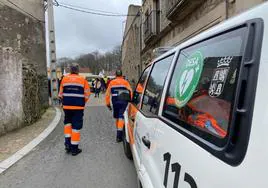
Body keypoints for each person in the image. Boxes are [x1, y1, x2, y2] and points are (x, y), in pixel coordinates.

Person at [58, 63, 90, 156]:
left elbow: (60, 94)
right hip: (78, 107)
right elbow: (87, 93)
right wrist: (82, 101)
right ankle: (74, 149)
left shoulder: (64, 79)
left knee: (68, 124)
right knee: (76, 127)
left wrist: (63, 102)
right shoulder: (82, 79)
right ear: (77, 70)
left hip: (67, 106)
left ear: (70, 70)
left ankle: (67, 145)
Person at [105, 70, 132, 142]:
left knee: (117, 117)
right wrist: (131, 100)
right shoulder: (125, 82)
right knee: (121, 117)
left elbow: (107, 94)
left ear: (115, 75)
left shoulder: (112, 82)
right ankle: (119, 135)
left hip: (115, 102)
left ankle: (118, 132)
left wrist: (108, 103)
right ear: (122, 75)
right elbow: (130, 91)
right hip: (123, 102)